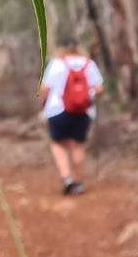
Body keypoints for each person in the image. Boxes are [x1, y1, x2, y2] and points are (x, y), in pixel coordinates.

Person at [39, 37, 103, 195]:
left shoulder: (56, 64)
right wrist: (87, 97)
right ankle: (78, 182)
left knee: (58, 144)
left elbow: (45, 88)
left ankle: (66, 178)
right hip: (83, 111)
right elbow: (99, 88)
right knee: (77, 145)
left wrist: (42, 105)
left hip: (57, 110)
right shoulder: (89, 64)